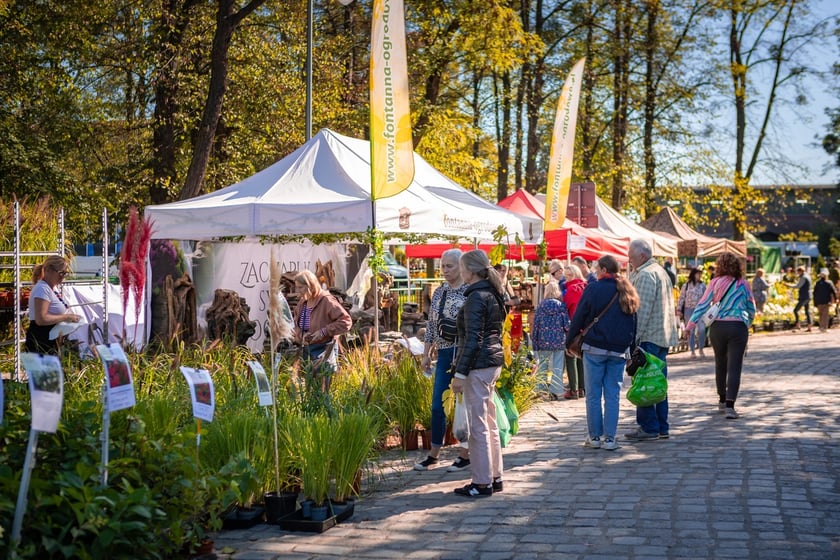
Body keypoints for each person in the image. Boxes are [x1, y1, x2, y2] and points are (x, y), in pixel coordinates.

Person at [568, 255, 639, 451]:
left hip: (594, 348)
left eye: (597, 268)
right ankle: (610, 439)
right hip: (618, 350)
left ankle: (595, 437)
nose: (595, 271)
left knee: (593, 395)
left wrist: (570, 340)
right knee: (612, 396)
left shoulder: (594, 288)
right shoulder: (627, 289)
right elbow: (634, 323)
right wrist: (631, 349)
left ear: (604, 270)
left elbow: (579, 315)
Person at [451, 250, 505, 497]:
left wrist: (460, 373)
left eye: (462, 268)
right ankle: (494, 476)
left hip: (479, 365)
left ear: (470, 270)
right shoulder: (493, 293)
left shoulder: (476, 297)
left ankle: (482, 482)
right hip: (491, 362)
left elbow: (473, 339)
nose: (461, 272)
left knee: (478, 426)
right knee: (489, 422)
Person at [415, 249, 470, 472]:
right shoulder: (439, 292)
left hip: (463, 352)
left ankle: (465, 453)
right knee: (437, 405)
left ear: (461, 266)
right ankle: (434, 452)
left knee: (464, 405)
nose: (445, 270)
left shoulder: (469, 291)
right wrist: (426, 353)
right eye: (443, 266)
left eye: (450, 266)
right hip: (444, 353)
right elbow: (431, 324)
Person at [685, 253, 755, 419]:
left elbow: (703, 304)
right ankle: (730, 406)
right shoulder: (743, 284)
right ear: (737, 266)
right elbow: (751, 308)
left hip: (718, 327)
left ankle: (722, 399)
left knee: (720, 363)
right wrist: (747, 322)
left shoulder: (714, 282)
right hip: (738, 327)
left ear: (719, 266)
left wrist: (690, 325)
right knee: (735, 366)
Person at [626, 239, 679, 441]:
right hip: (661, 336)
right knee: (658, 383)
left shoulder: (646, 275)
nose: (629, 260)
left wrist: (633, 340)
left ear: (642, 256)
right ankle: (661, 426)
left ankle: (649, 427)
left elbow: (641, 311)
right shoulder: (659, 271)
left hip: (649, 338)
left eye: (631, 257)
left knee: (645, 383)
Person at [292, 269, 352, 392]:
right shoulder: (303, 302)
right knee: (309, 392)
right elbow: (296, 323)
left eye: (300, 287)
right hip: (306, 350)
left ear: (310, 285)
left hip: (323, 350)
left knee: (322, 393)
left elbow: (346, 321)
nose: (298, 291)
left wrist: (324, 331)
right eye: (297, 287)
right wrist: (300, 335)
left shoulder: (326, 300)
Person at [25, 255, 81, 355]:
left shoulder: (52, 288)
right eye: (61, 273)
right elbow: (41, 319)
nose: (63, 276)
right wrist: (66, 317)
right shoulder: (42, 289)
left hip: (52, 338)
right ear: (48, 270)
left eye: (65, 273)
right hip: (42, 339)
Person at [531, 280, 570, 400]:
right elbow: (567, 325)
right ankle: (557, 390)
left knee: (543, 365)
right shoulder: (561, 306)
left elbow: (536, 325)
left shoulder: (541, 306)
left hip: (543, 340)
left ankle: (540, 390)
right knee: (558, 367)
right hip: (559, 340)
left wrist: (534, 341)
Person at [562, 264, 587, 399]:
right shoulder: (587, 286)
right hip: (587, 328)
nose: (566, 278)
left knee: (571, 356)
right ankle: (582, 388)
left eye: (567, 275)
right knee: (582, 357)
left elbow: (566, 307)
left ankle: (574, 390)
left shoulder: (571, 289)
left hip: (573, 326)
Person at [678, 267, 707, 358]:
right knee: (690, 330)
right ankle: (692, 351)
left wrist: (707, 308)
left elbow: (706, 298)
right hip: (689, 310)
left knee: (702, 329)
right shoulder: (686, 285)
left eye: (700, 274)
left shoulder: (702, 285)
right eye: (698, 274)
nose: (700, 276)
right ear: (693, 274)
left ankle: (701, 348)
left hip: (700, 310)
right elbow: (682, 298)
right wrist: (679, 309)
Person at [787, 266, 812, 332]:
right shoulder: (808, 276)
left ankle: (798, 325)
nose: (797, 273)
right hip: (808, 295)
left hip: (804, 296)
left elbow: (798, 286)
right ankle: (809, 326)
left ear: (800, 271)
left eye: (798, 272)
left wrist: (789, 285)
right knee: (807, 311)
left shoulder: (803, 277)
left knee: (796, 310)